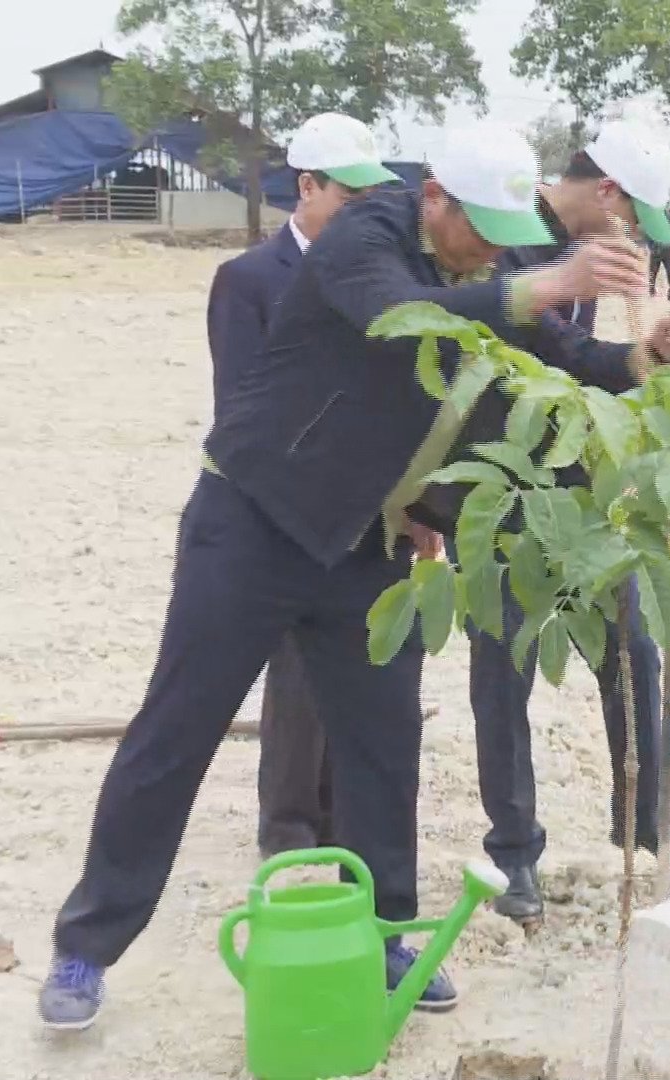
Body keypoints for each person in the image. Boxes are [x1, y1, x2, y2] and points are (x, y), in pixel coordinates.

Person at [38, 122, 670, 1031]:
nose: (498, 249)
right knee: (175, 730)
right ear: (433, 196)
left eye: (512, 236)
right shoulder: (367, 238)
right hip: (251, 524)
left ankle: (387, 936)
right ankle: (87, 945)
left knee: (382, 748)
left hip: (365, 542)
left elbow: (553, 355)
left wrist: (639, 360)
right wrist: (551, 279)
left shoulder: (486, 266)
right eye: (482, 230)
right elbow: (402, 319)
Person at [457, 121, 670, 922]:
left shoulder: (587, 263)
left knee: (629, 649)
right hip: (495, 493)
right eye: (631, 218)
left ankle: (644, 819)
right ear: (606, 192)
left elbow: (579, 365)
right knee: (505, 674)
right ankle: (515, 855)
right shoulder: (504, 240)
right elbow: (552, 351)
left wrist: (656, 353)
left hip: (576, 490)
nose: (633, 236)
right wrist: (633, 363)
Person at [207, 113, 407, 861]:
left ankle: (341, 828)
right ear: (307, 187)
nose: (360, 213)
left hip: (372, 507)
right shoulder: (249, 281)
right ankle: (289, 831)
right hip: (289, 507)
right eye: (347, 199)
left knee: (360, 679)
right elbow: (242, 410)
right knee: (296, 678)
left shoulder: (377, 280)